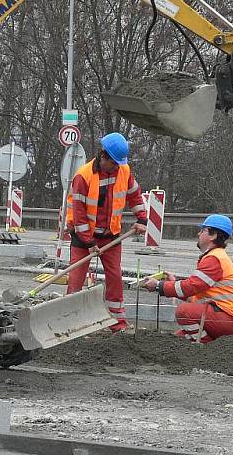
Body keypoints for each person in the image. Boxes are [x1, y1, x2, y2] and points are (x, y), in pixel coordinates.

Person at [65, 132, 148, 332]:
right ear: (104, 157)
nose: (116, 167)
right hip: (83, 237)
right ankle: (69, 323)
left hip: (111, 237)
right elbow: (79, 215)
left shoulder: (124, 171)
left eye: (119, 163)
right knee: (76, 280)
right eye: (113, 163)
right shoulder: (83, 177)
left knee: (114, 279)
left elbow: (135, 196)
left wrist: (142, 219)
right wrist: (88, 242)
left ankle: (117, 323)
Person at [142, 214, 233, 343]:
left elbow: (191, 286)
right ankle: (206, 343)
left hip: (230, 319)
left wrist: (159, 285)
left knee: (184, 311)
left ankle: (206, 346)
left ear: (213, 234)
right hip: (228, 317)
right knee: (179, 338)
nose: (199, 234)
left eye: (202, 230)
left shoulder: (214, 259)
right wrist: (172, 284)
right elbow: (195, 294)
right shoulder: (215, 256)